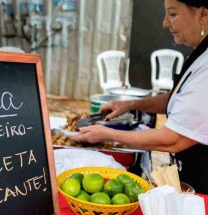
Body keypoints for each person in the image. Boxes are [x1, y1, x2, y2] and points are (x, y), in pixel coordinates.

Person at [71, 0, 208, 194]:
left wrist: (107, 134)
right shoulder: (199, 54)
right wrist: (129, 105)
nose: (165, 23)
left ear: (202, 15)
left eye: (173, 14)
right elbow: (178, 98)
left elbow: (173, 139)